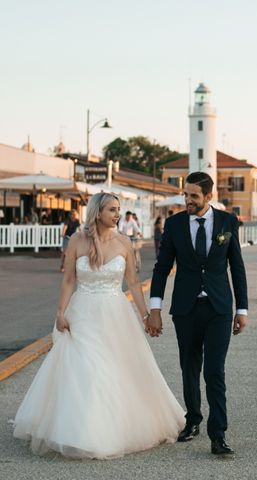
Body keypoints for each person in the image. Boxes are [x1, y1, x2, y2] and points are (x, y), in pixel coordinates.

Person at [12, 192, 184, 459]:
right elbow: (69, 280)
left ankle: (113, 426)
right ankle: (81, 430)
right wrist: (60, 312)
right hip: (83, 313)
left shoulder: (125, 242)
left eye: (118, 209)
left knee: (114, 367)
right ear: (97, 213)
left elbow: (134, 283)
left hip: (115, 314)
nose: (117, 214)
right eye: (112, 210)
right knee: (86, 366)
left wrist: (146, 315)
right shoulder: (77, 242)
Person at [148, 171, 248, 456]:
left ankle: (218, 435)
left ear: (208, 196)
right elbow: (161, 267)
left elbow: (237, 268)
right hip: (185, 309)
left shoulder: (227, 222)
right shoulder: (175, 224)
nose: (188, 201)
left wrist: (242, 309)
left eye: (194, 196)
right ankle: (193, 420)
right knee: (189, 367)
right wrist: (155, 308)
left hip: (218, 308)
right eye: (185, 195)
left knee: (215, 371)